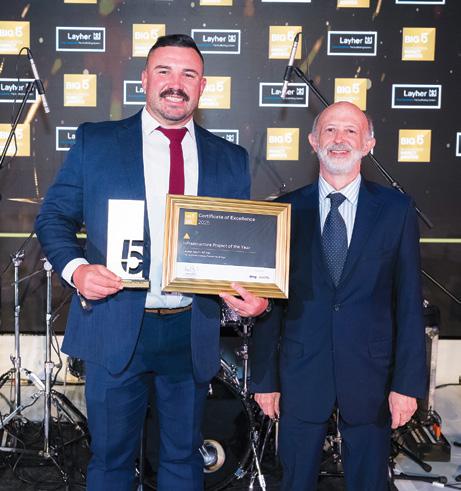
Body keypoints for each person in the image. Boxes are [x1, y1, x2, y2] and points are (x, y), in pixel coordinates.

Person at [35, 34, 268, 491]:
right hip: (115, 325)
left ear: (202, 86)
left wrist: (253, 296)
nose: (175, 83)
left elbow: (238, 247)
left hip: (190, 328)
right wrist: (77, 271)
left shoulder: (230, 160)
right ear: (144, 79)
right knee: (110, 462)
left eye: (188, 74)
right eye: (164, 71)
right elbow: (54, 218)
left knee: (183, 460)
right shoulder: (96, 142)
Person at [250, 101, 427, 490]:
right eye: (329, 130)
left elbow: (409, 304)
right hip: (300, 375)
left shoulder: (396, 210)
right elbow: (270, 306)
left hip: (371, 378)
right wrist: (264, 379)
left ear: (369, 144)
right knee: (294, 481)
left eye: (351, 130)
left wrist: (407, 384)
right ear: (313, 141)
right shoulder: (284, 211)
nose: (339, 139)